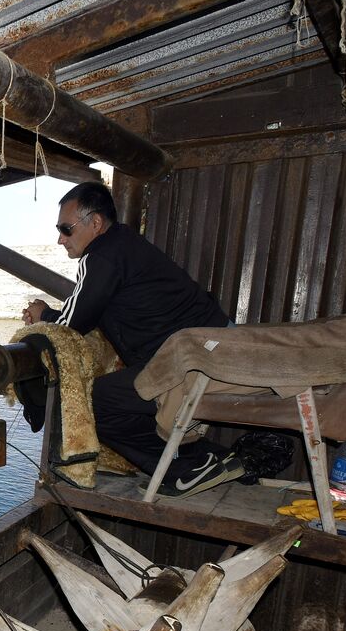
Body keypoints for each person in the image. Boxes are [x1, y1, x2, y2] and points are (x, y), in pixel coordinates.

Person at [21, 181, 242, 497]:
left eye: (66, 229)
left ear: (95, 223)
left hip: (196, 361)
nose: (60, 239)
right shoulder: (124, 245)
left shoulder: (102, 255)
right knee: (120, 396)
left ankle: (188, 466)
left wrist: (43, 315)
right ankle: (213, 459)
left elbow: (73, 322)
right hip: (208, 351)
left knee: (97, 401)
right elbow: (89, 308)